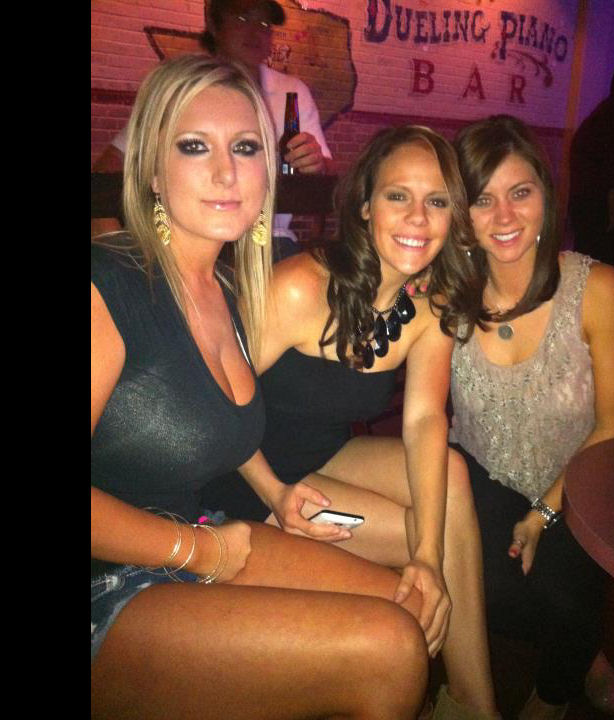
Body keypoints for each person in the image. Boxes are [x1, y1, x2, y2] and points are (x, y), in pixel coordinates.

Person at [91, 53, 430, 720]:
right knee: (390, 648)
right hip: (112, 579)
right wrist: (199, 551)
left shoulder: (229, 286)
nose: (226, 172)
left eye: (245, 148)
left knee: (407, 608)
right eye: (195, 146)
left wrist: (275, 491)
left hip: (198, 532)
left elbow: (215, 415)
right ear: (153, 169)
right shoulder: (108, 282)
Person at [201, 125, 501, 720]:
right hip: (242, 475)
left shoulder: (429, 302)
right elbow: (208, 405)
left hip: (321, 458)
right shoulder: (300, 289)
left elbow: (424, 420)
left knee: (447, 477)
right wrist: (274, 490)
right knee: (422, 565)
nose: (418, 218)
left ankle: (473, 704)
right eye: (398, 196)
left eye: (437, 201)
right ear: (365, 206)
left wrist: (429, 556)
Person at [449, 115, 614, 719]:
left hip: (578, 478)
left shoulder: (598, 288)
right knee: (484, 589)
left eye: (520, 192)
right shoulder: (446, 294)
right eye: (483, 199)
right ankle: (577, 649)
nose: (504, 216)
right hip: (481, 472)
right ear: (463, 213)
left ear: (545, 198)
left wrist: (543, 511)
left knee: (571, 601)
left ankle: (554, 693)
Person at [91, 0, 333, 262]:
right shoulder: (183, 90)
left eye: (264, 24)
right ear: (214, 26)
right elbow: (106, 170)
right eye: (242, 18)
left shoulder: (291, 92)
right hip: (187, 242)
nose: (255, 31)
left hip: (270, 241)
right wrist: (116, 251)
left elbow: (329, 172)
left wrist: (316, 163)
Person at [568, 61, 614, 277]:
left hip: (584, 202)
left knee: (585, 261)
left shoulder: (602, 113)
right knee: (600, 266)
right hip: (599, 206)